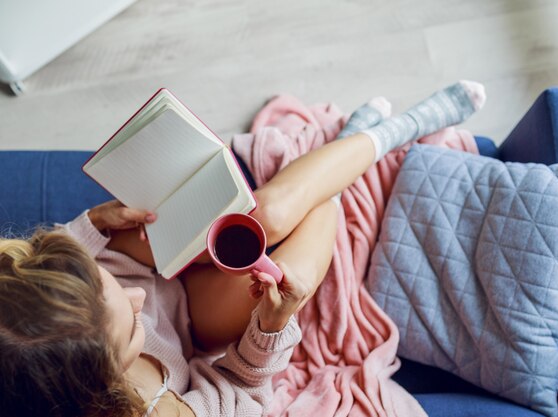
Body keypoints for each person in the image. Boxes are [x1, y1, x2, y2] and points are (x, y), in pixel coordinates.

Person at [0, 81, 485, 417]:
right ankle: (356, 149)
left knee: (266, 214)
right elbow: (242, 391)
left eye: (105, 286)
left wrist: (91, 226)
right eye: (129, 334)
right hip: (197, 325)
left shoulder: (25, 315)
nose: (137, 301)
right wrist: (272, 329)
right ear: (99, 390)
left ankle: (360, 144)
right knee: (286, 268)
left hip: (152, 254)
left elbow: (59, 255)